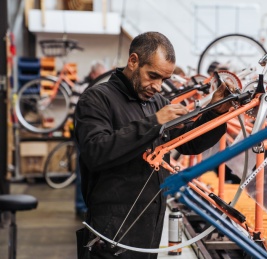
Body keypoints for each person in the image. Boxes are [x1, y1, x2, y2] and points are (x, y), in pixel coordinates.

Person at [74, 31, 232, 259]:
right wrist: (155, 122)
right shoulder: (97, 99)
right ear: (133, 61)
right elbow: (95, 151)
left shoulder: (156, 101)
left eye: (163, 80)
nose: (158, 87)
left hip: (150, 228)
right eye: (153, 76)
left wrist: (216, 114)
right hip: (111, 233)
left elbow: (188, 143)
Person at [70, 60, 108, 220]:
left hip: (96, 130)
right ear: (93, 74)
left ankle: (91, 205)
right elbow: (74, 110)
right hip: (82, 130)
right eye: (99, 76)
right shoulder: (80, 86)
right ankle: (81, 207)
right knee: (82, 170)